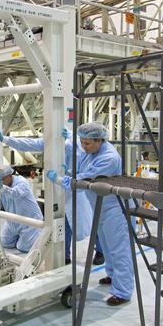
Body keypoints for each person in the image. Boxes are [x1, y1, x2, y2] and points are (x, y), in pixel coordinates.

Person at [46, 121, 134, 306]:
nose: (83, 146)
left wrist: (61, 179)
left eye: (87, 143)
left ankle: (123, 291)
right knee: (107, 246)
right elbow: (82, 169)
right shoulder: (91, 151)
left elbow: (84, 180)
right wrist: (70, 170)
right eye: (82, 142)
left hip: (115, 208)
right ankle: (112, 276)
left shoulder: (109, 157)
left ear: (99, 140)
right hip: (100, 206)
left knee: (119, 249)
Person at [0, 129, 103, 265]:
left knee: (93, 219)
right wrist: (6, 139)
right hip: (60, 188)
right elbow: (28, 144)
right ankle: (65, 255)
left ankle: (101, 251)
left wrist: (69, 168)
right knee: (64, 223)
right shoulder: (50, 142)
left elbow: (82, 158)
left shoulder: (74, 142)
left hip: (81, 186)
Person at [0, 165, 43, 253]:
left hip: (29, 222)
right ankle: (21, 237)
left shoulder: (22, 182)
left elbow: (14, 193)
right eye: (0, 179)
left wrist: (1, 187)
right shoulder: (2, 187)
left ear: (10, 175)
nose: (2, 181)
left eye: (3, 178)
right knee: (4, 243)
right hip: (12, 222)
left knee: (24, 248)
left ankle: (36, 234)